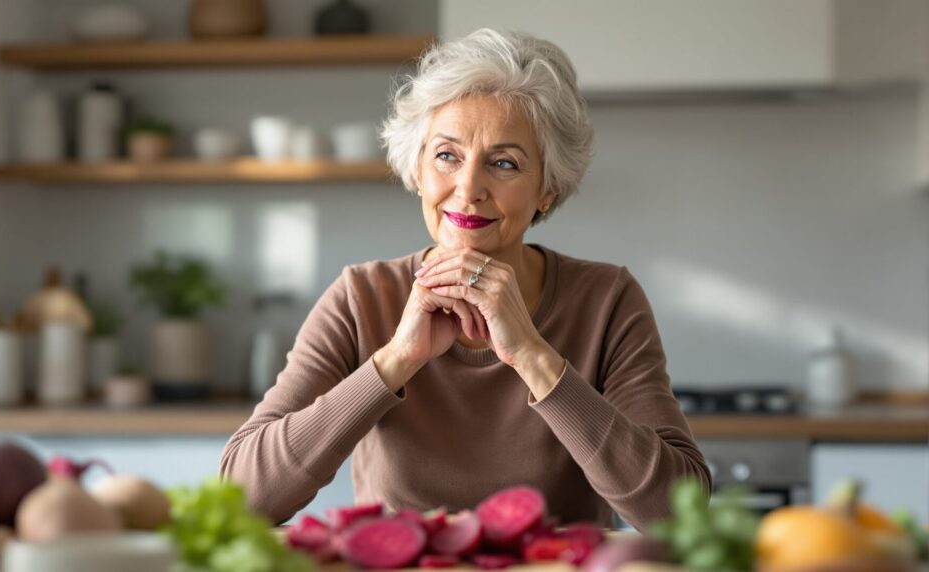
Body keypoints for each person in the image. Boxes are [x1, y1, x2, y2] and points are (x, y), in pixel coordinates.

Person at [221, 28, 710, 531]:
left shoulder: (607, 301)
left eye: (504, 163)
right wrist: (396, 360)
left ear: (548, 189)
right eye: (447, 156)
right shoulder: (361, 297)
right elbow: (242, 498)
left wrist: (533, 356)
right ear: (417, 168)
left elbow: (677, 513)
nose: (468, 188)